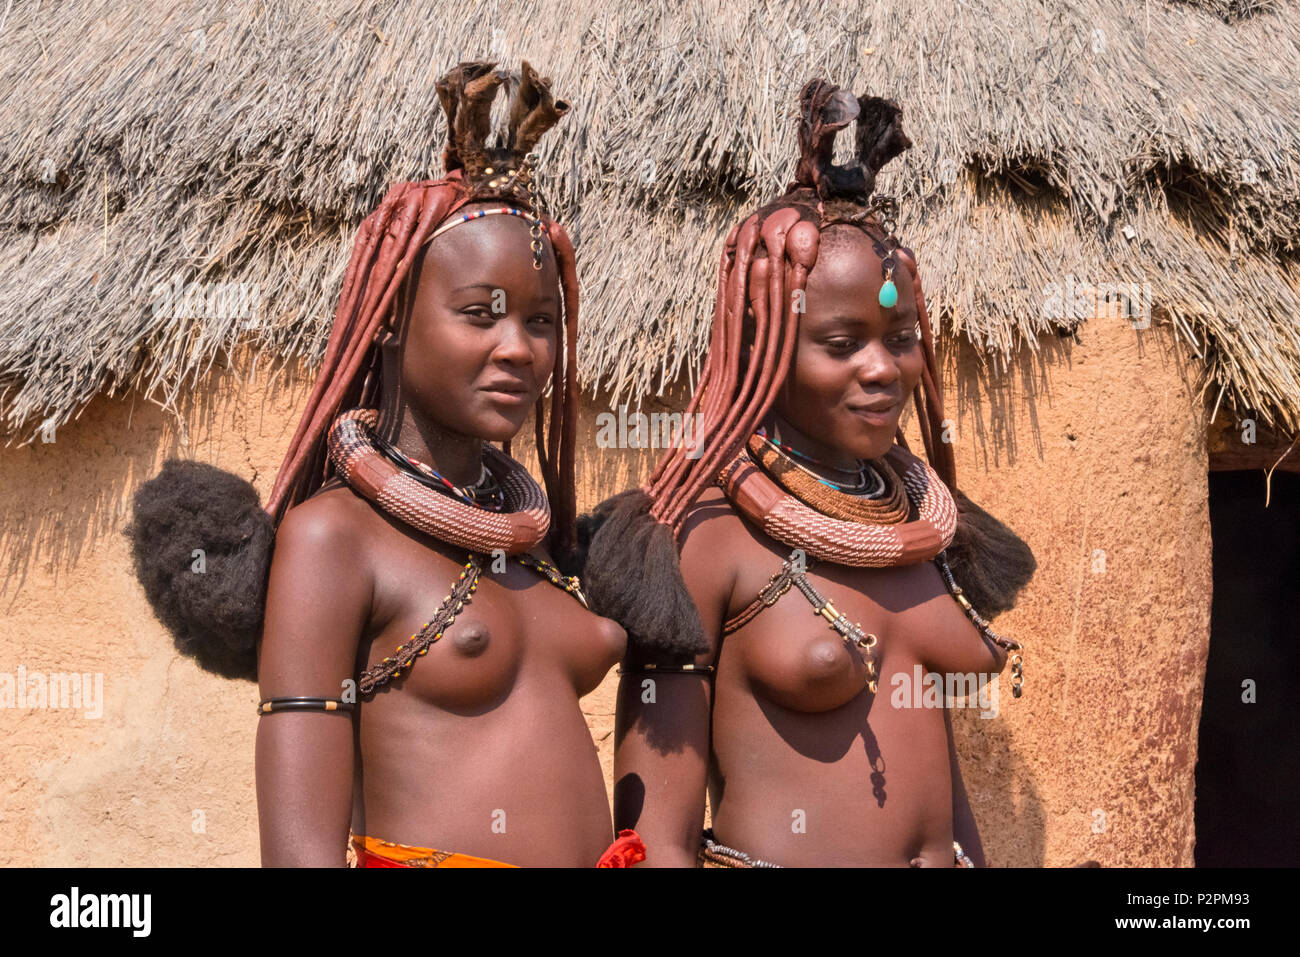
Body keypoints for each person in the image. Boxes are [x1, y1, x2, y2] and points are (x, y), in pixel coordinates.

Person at [129, 61, 643, 868]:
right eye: (481, 315)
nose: (518, 348)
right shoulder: (333, 538)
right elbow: (300, 851)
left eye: (542, 322)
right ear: (396, 316)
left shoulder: (534, 542)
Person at [581, 78, 1035, 867]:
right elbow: (657, 836)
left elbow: (937, 771)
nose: (883, 369)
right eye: (840, 342)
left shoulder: (918, 533)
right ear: (765, 347)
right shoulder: (707, 539)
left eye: (899, 338)